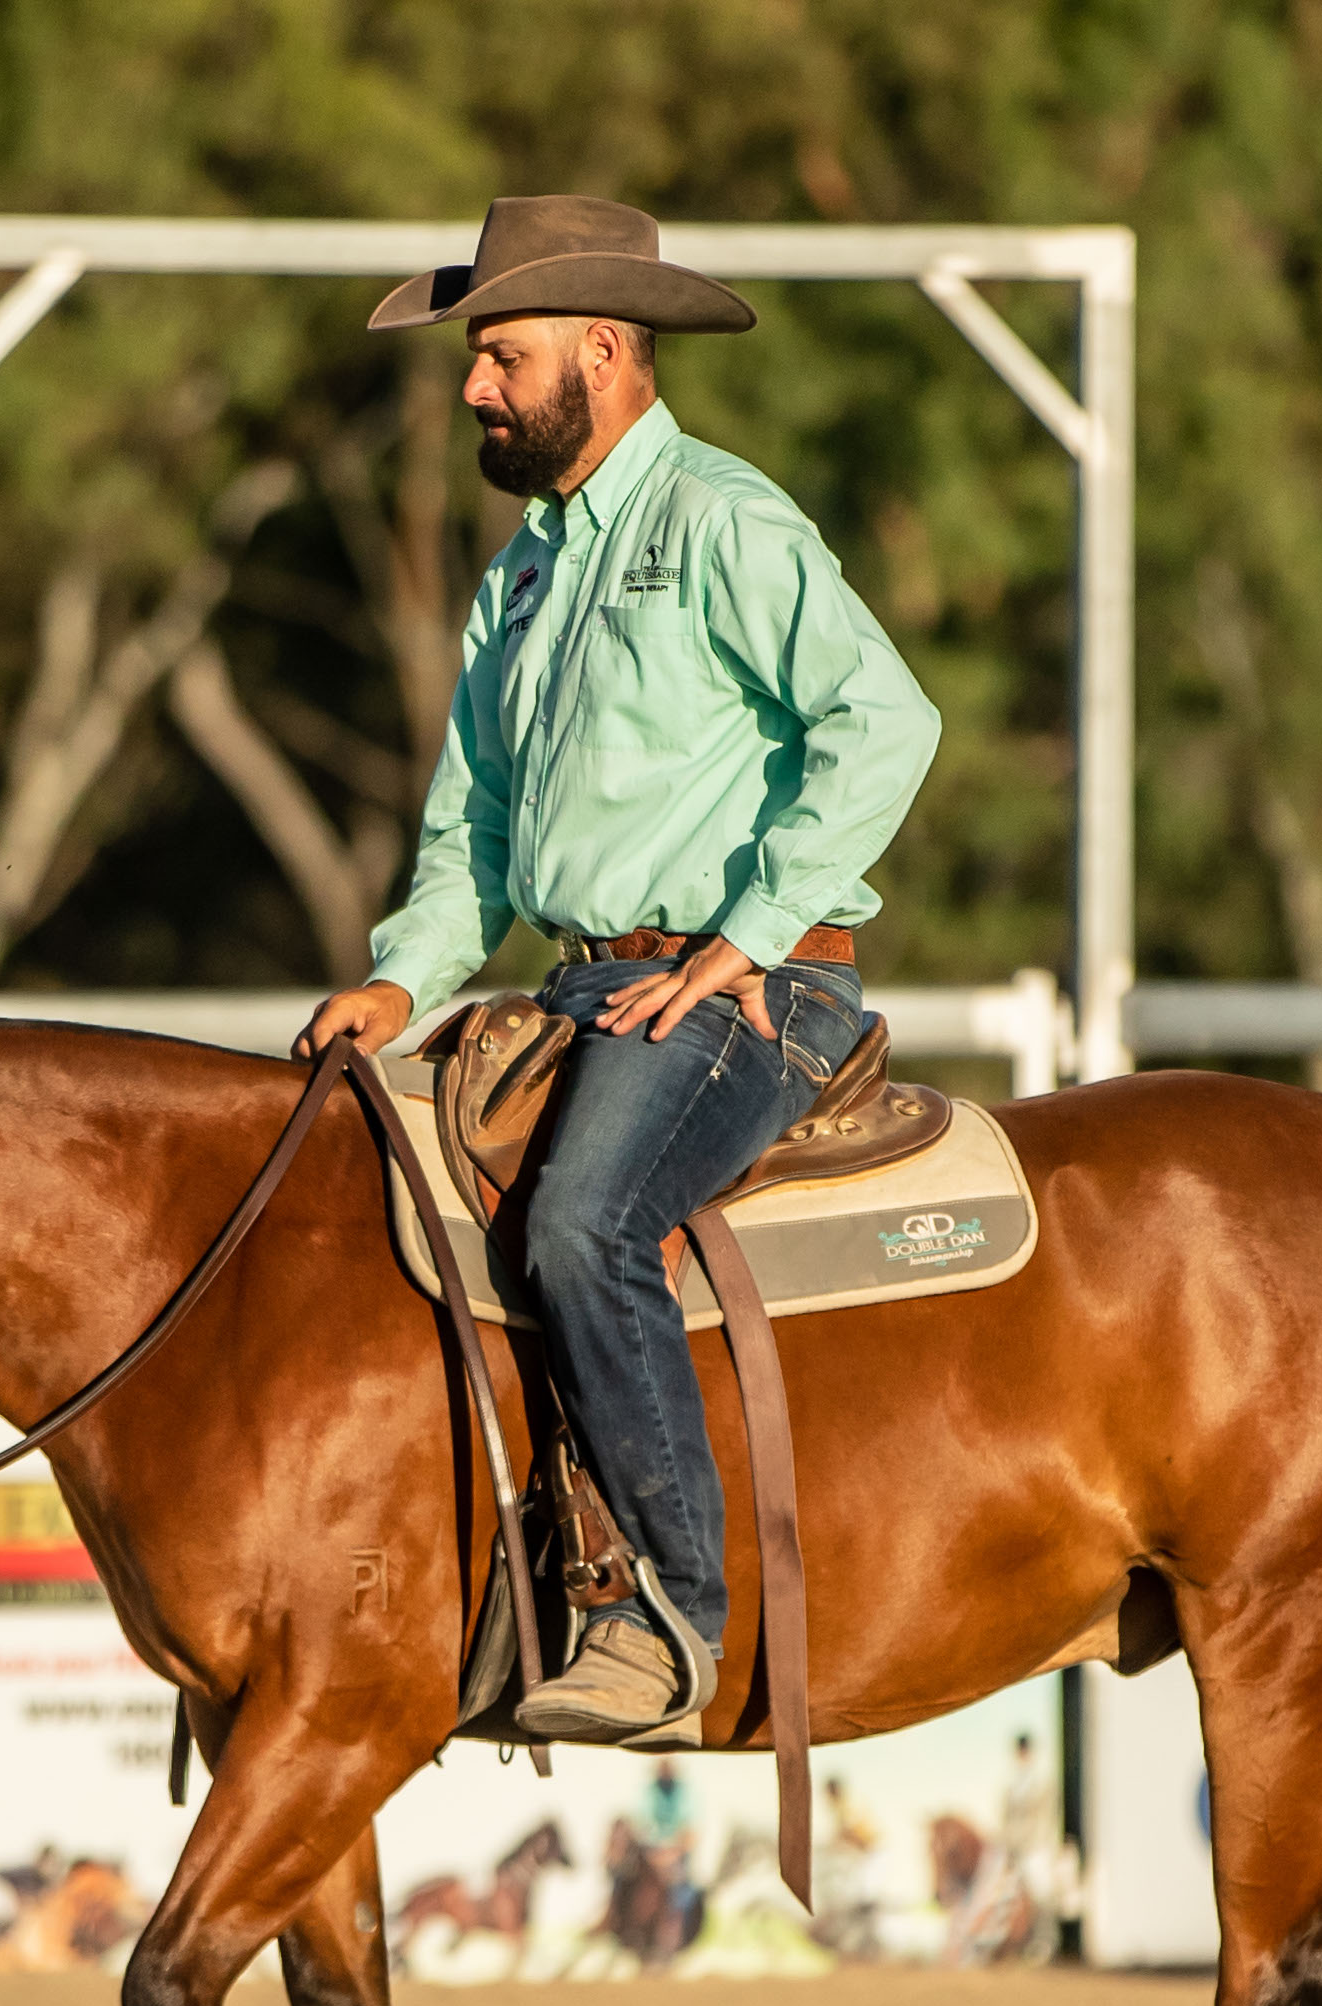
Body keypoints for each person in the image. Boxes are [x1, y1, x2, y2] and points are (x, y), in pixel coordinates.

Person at [297, 196, 941, 1741]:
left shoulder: (723, 519)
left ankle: (662, 1621)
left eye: (501, 357)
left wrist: (748, 936)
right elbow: (473, 831)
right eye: (476, 360)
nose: (475, 387)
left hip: (753, 992)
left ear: (603, 349)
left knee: (585, 1222)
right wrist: (400, 981)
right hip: (584, 991)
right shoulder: (519, 578)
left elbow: (887, 720)